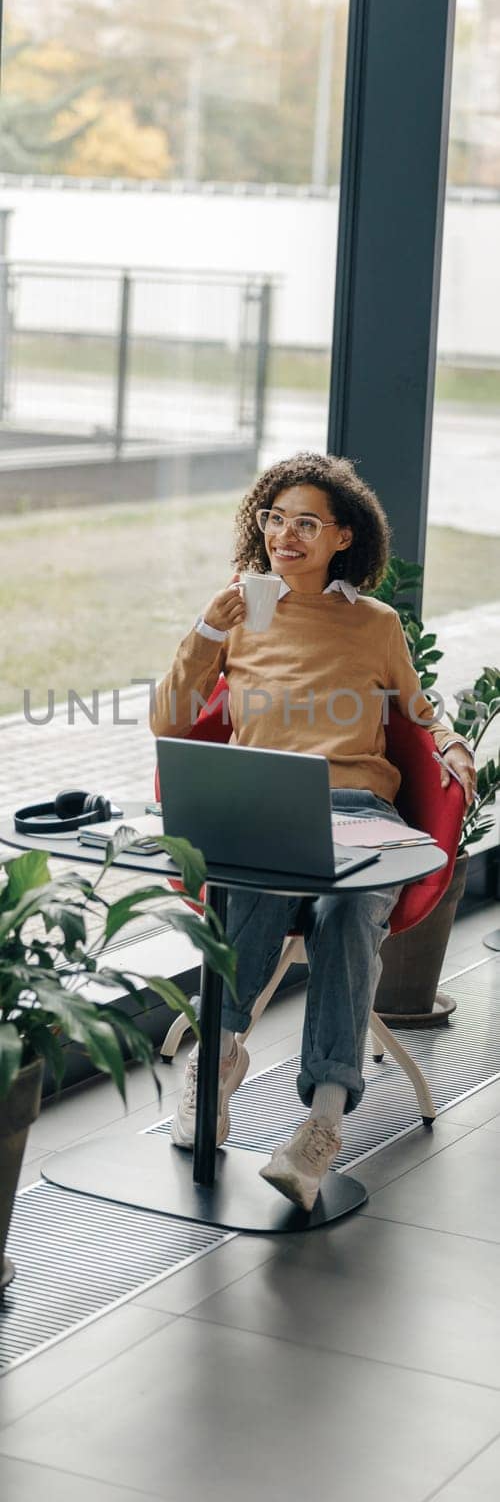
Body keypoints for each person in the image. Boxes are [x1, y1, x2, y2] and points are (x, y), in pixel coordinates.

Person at [150, 453, 476, 1211]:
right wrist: (206, 628)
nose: (284, 535)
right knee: (263, 878)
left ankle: (320, 1125)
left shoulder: (375, 624)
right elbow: (169, 718)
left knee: (350, 906)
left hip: (359, 814)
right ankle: (219, 1059)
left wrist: (452, 741)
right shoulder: (235, 614)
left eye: (306, 523)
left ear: (342, 538)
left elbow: (418, 710)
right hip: (261, 814)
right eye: (274, 518)